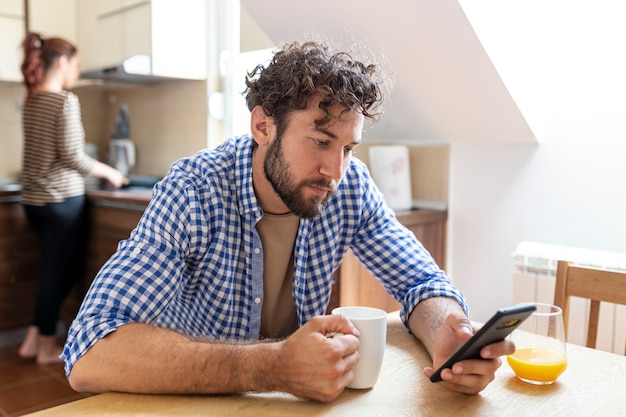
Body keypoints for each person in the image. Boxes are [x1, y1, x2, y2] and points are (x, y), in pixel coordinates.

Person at [62, 38, 513, 401]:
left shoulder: (348, 184)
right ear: (263, 127)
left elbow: (420, 282)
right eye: (320, 141)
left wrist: (448, 333)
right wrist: (274, 365)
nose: (336, 170)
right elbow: (88, 353)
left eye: (348, 148)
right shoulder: (193, 191)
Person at [18, 32, 126, 365]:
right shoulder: (64, 100)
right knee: (60, 271)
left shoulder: (33, 99)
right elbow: (72, 156)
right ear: (62, 62)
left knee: (52, 270)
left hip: (34, 200)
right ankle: (47, 344)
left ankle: (34, 338)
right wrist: (110, 173)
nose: (77, 72)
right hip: (60, 200)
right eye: (76, 64)